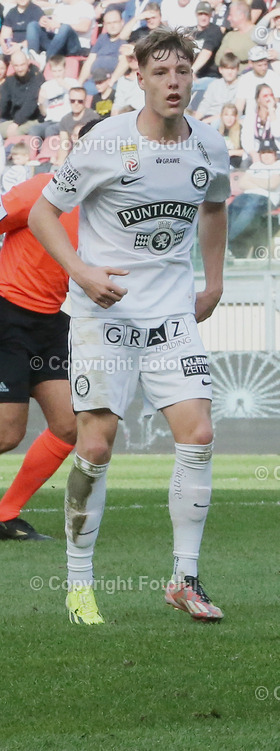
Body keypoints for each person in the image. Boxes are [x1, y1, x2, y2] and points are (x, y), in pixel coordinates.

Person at [28, 27, 231, 625]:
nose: (174, 82)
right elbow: (43, 212)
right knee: (95, 445)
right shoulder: (105, 142)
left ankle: (184, 579)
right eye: (161, 72)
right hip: (104, 314)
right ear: (139, 78)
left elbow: (214, 207)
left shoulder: (210, 145)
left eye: (183, 71)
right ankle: (79, 581)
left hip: (171, 315)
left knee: (198, 434)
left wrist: (214, 281)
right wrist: (81, 272)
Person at [0, 173, 81, 541]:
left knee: (68, 425)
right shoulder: (43, 188)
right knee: (7, 433)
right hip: (8, 315)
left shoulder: (111, 206)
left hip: (50, 323)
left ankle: (5, 515)